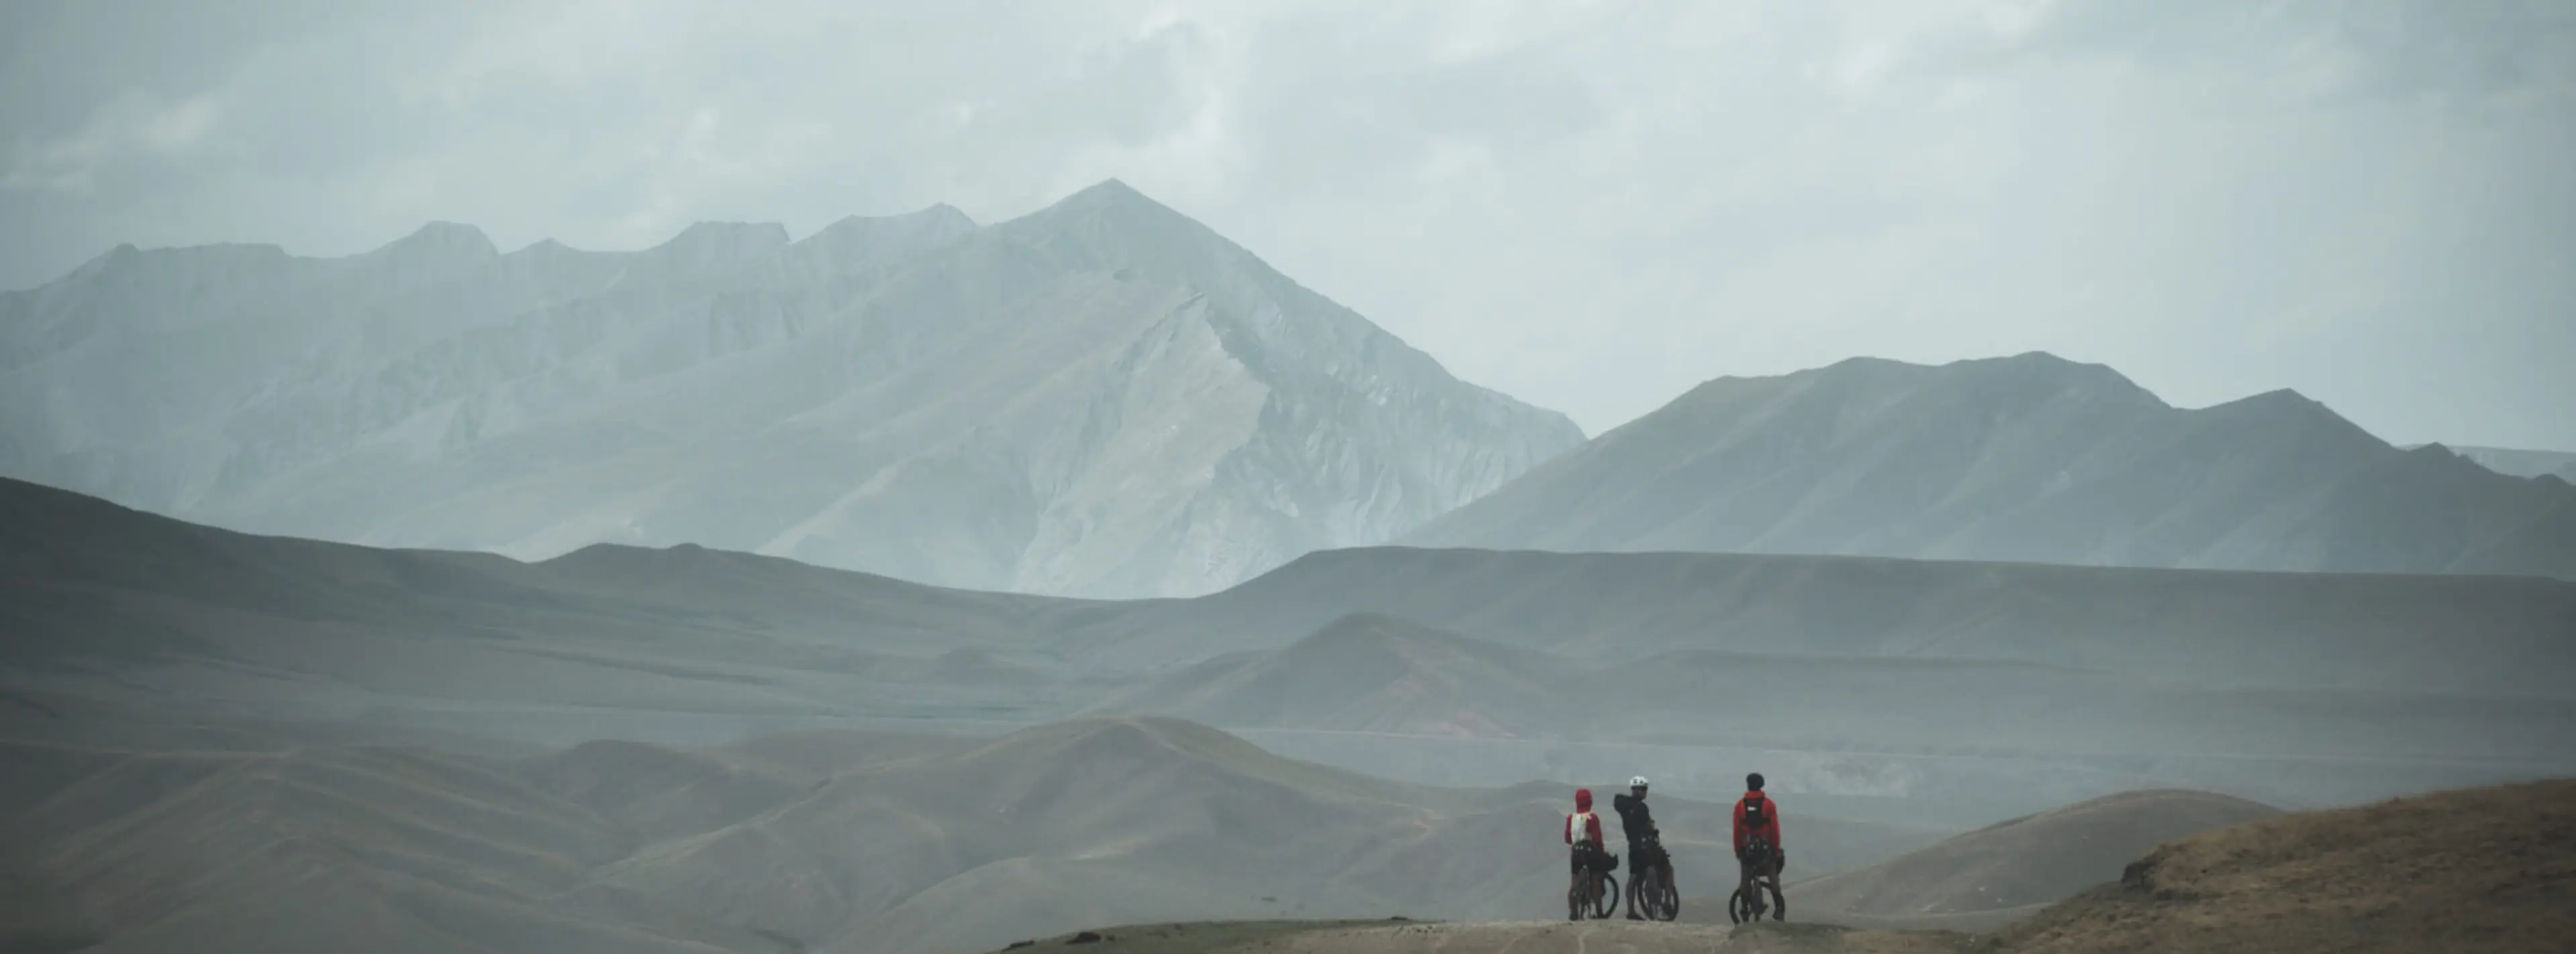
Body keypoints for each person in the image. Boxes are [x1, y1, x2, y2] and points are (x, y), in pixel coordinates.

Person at [1733, 772, 1785, 917]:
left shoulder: (1740, 806)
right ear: (1762, 785)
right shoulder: (1769, 805)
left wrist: (1739, 849)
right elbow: (1775, 830)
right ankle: (1779, 908)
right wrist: (1775, 850)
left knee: (1745, 878)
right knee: (1772, 874)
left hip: (1748, 848)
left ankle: (1744, 909)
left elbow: (1737, 830)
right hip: (1765, 849)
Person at [1612, 776, 1659, 919]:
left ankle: (1631, 910)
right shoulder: (1642, 808)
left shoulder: (1624, 805)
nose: (1645, 792)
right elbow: (1648, 827)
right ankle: (1650, 905)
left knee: (1633, 878)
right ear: (1635, 789)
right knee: (1645, 873)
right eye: (1643, 789)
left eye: (1646, 789)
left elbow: (1618, 802)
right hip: (1643, 847)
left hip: (1633, 846)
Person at [1565, 787, 1607, 919]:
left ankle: (1573, 912)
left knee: (1574, 883)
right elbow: (1598, 839)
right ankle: (1599, 911)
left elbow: (1567, 838)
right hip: (1590, 853)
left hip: (1576, 853)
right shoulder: (1592, 818)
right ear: (1590, 802)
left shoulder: (1571, 818)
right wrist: (1602, 854)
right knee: (1595, 878)